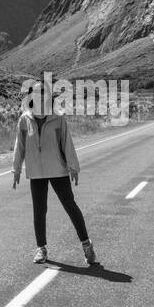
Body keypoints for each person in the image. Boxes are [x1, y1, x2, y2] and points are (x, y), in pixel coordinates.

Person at [12, 92, 98, 267]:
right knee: (39, 211)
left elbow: (67, 142)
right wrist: (16, 169)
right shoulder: (24, 120)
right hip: (36, 172)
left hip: (58, 170)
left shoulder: (58, 118)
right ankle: (41, 248)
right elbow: (19, 145)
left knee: (70, 206)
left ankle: (86, 244)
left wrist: (73, 167)